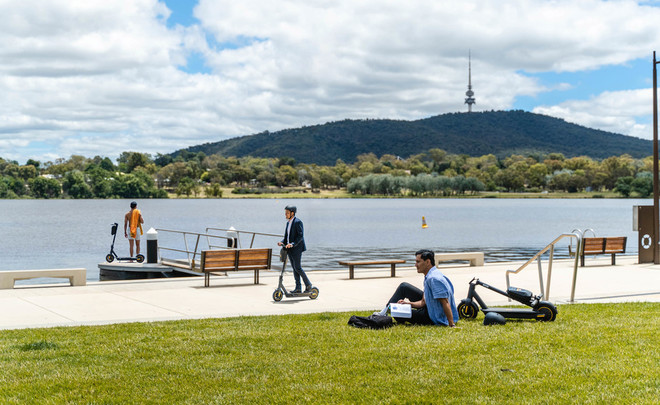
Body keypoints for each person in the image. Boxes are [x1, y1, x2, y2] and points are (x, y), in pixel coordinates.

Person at [375, 249, 458, 327]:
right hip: (429, 308)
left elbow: (445, 302)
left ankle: (382, 315)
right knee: (404, 287)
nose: (415, 265)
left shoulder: (434, 278)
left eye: (418, 262)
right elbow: (423, 302)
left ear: (428, 262)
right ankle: (384, 312)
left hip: (433, 317)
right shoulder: (430, 275)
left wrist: (451, 324)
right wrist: (408, 304)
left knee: (397, 313)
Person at [277, 205, 312, 293]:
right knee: (294, 268)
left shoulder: (298, 222)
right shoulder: (288, 223)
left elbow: (300, 236)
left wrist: (292, 244)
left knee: (298, 268)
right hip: (289, 249)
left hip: (297, 248)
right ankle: (298, 288)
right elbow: (286, 237)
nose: (286, 214)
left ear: (292, 213)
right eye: (285, 213)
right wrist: (282, 242)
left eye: (287, 213)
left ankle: (308, 284)